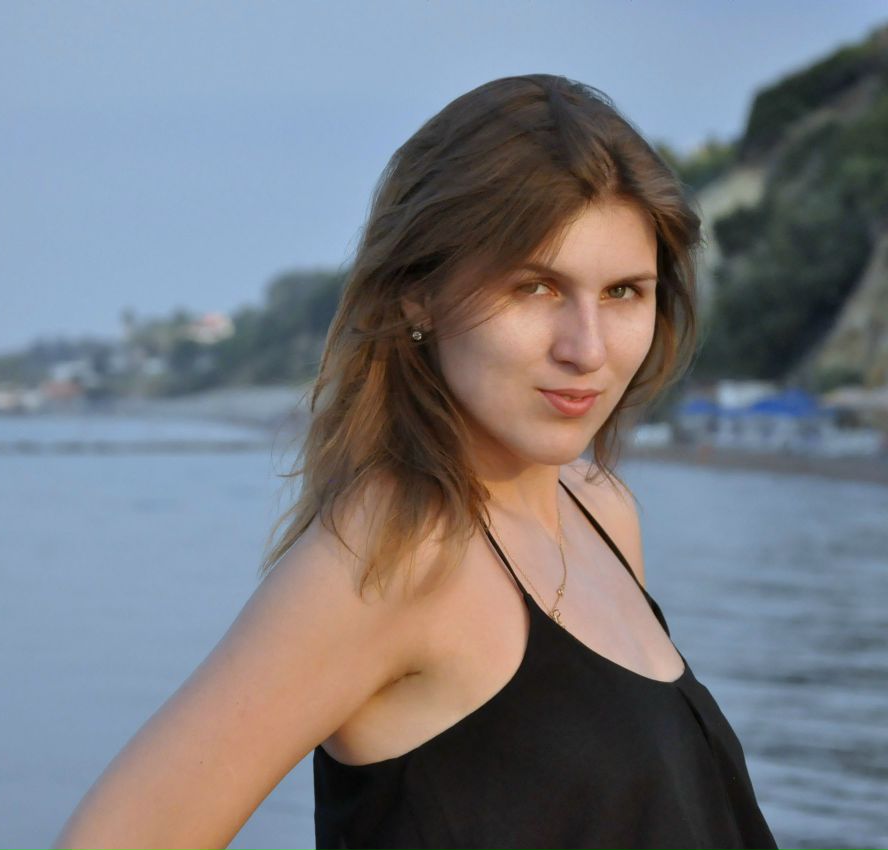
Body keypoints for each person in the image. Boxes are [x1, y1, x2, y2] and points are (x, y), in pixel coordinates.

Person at [52, 73, 778, 850]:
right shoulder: (392, 553)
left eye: (624, 292)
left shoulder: (602, 510)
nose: (587, 348)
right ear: (418, 296)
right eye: (536, 287)